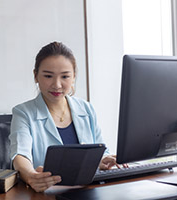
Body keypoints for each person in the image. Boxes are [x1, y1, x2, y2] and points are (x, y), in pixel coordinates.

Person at [10, 41, 121, 192]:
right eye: (48, 76)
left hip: (88, 190)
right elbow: (20, 155)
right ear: (36, 76)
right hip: (48, 194)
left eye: (65, 76)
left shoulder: (86, 109)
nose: (57, 85)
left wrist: (103, 160)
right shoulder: (23, 112)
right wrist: (30, 175)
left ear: (74, 77)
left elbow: (100, 149)